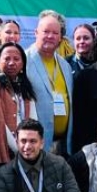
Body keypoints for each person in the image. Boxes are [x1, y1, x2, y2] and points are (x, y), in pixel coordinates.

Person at [26, 10, 77, 154]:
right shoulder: (24, 61)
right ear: (36, 33)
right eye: (46, 31)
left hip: (62, 144)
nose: (50, 36)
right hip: (35, 144)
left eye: (55, 33)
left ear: (60, 37)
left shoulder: (65, 65)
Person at [0, 43, 40, 164]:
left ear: (22, 64)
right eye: (7, 59)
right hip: (6, 150)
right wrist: (18, 148)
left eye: (16, 59)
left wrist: (31, 144)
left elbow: (33, 120)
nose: (12, 63)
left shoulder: (25, 86)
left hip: (25, 150)